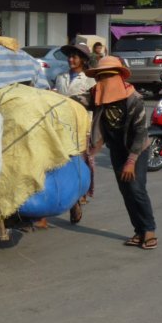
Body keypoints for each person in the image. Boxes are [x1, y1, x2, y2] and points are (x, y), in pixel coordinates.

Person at [72, 56, 157, 250]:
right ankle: (139, 230)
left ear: (118, 76)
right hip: (117, 148)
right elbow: (78, 101)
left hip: (137, 149)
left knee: (136, 189)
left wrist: (131, 161)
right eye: (101, 76)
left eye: (108, 75)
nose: (104, 80)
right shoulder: (97, 93)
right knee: (126, 191)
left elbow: (140, 132)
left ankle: (149, 230)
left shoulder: (133, 98)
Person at [54, 44, 96, 224]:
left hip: (82, 127)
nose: (71, 60)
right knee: (59, 163)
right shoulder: (60, 77)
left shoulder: (90, 80)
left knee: (80, 163)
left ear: (84, 60)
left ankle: (77, 199)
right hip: (61, 126)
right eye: (70, 57)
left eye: (75, 57)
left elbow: (93, 105)